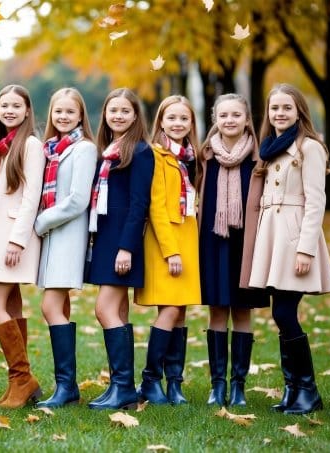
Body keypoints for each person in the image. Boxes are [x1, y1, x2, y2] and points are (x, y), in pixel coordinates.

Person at [242, 83, 330, 415]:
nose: (279, 113)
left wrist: (305, 249)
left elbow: (316, 201)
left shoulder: (308, 147)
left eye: (286, 108)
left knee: (284, 312)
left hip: (293, 237)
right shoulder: (269, 148)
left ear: (299, 112)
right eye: (274, 108)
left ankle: (307, 390)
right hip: (272, 236)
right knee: (279, 314)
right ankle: (293, 389)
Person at [196, 93, 270, 407]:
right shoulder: (204, 156)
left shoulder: (260, 157)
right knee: (216, 311)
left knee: (241, 311)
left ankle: (238, 386)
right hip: (212, 241)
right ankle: (217, 386)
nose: (229, 120)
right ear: (215, 118)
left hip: (246, 244)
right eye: (223, 115)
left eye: (236, 115)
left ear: (246, 118)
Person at [85, 88, 154, 410]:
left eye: (125, 111)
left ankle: (123, 386)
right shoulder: (108, 151)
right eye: (113, 110)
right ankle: (121, 387)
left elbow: (140, 204)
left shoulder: (139, 151)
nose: (118, 116)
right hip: (105, 238)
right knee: (119, 312)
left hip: (122, 242)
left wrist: (126, 248)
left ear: (135, 115)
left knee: (104, 310)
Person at [134, 95, 201, 405]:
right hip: (167, 239)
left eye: (183, 119)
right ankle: (150, 380)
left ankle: (174, 384)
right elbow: (156, 207)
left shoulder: (191, 157)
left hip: (188, 235)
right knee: (170, 309)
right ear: (160, 121)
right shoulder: (156, 155)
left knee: (181, 311)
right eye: (171, 118)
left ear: (191, 123)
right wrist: (170, 251)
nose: (177, 123)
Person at [33, 87, 97, 408]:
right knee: (61, 306)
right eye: (58, 111)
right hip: (53, 238)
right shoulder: (51, 149)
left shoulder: (83, 148)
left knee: (49, 306)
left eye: (70, 112)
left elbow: (77, 200)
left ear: (80, 116)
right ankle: (68, 387)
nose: (63, 117)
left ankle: (65, 386)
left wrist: (40, 222)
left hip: (67, 234)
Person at [0, 85, 45, 409]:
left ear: (26, 110)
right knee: (12, 305)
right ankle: (19, 384)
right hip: (0, 236)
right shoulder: (3, 147)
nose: (9, 110)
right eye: (3, 105)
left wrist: (17, 240)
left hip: (13, 238)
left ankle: (22, 378)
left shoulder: (30, 145)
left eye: (15, 105)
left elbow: (32, 195)